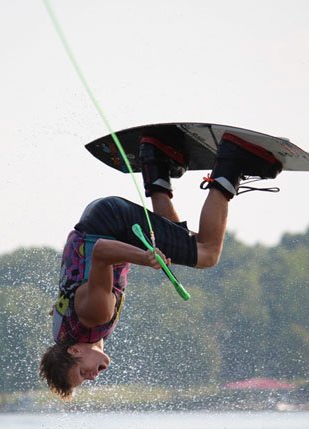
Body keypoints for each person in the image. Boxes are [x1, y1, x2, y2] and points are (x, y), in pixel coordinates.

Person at [39, 128, 282, 399]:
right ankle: (155, 159)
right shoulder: (71, 334)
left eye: (84, 373)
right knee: (182, 241)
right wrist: (142, 256)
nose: (94, 376)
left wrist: (144, 257)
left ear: (74, 351)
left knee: (206, 254)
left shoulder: (95, 316)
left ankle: (232, 161)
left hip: (110, 223)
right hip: (101, 220)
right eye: (87, 379)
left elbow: (101, 252)